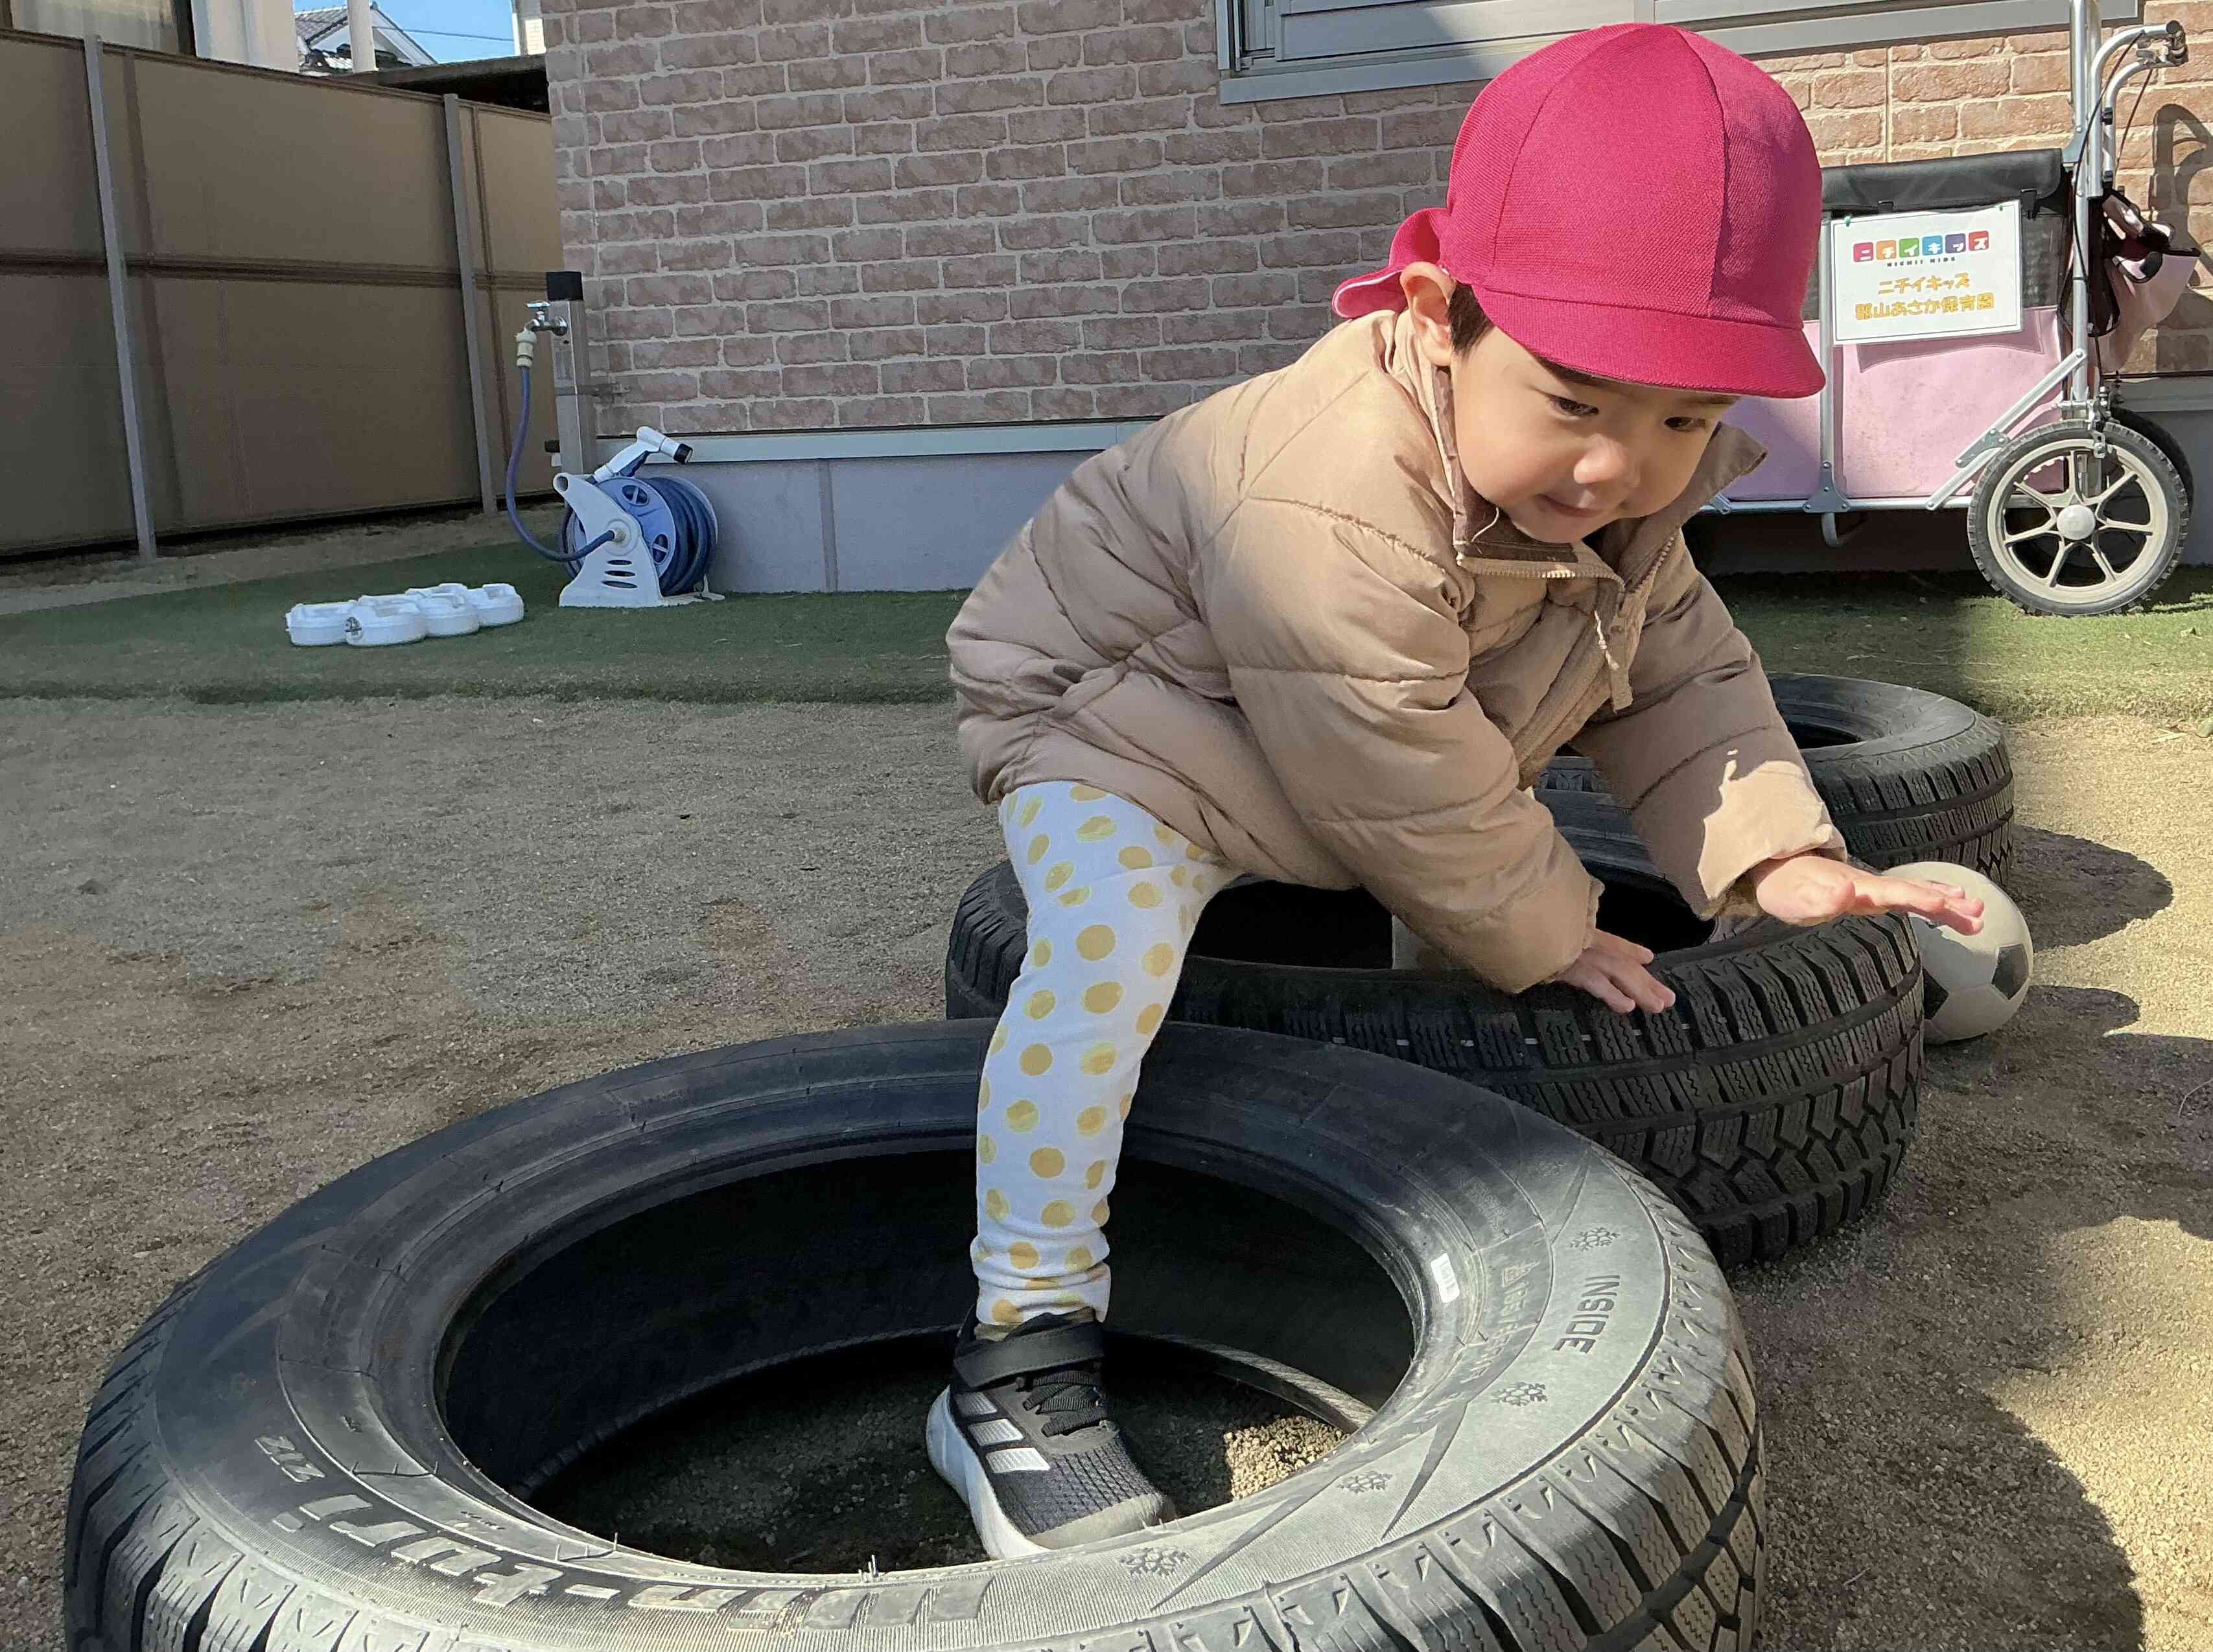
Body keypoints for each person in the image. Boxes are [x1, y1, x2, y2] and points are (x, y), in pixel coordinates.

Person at [927, 21, 1985, 1559]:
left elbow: (1681, 676)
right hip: (1121, 725)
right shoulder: (1324, 481)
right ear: (1439, 318)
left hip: (1321, 737)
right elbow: (1382, 755)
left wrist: (1778, 865)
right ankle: (1015, 1351)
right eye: (1575, 401)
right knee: (1106, 958)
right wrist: (1546, 920)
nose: (1623, 468)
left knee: (1454, 894)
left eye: (1685, 418)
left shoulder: (1619, 499)